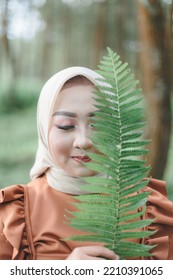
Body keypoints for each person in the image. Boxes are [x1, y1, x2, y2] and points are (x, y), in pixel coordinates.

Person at [0, 66, 173, 260]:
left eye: (98, 124)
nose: (83, 141)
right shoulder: (14, 214)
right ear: (43, 129)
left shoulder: (150, 208)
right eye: (65, 125)